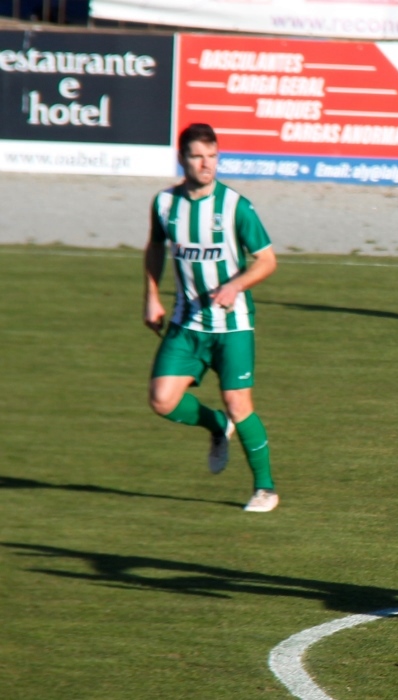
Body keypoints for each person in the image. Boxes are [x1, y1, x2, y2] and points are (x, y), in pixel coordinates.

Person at [143, 123, 280, 513]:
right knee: (161, 400)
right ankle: (217, 426)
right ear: (182, 159)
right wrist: (151, 296)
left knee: (239, 403)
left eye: (212, 156)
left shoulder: (236, 206)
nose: (206, 164)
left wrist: (236, 285)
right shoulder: (164, 204)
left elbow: (267, 261)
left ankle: (265, 489)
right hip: (186, 325)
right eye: (197, 157)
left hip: (232, 327)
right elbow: (155, 246)